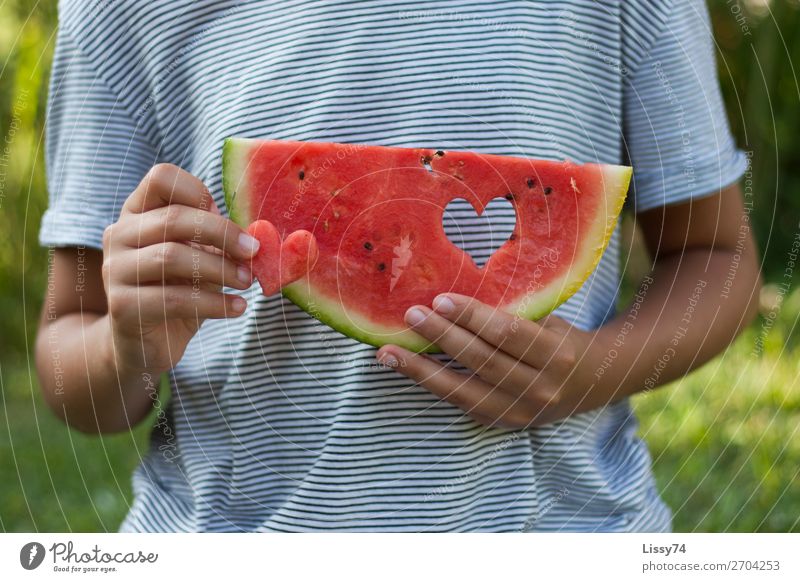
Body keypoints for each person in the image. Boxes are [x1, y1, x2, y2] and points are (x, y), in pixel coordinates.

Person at [36, 0, 761, 532]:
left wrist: (598, 368)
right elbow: (70, 350)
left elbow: (717, 258)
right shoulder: (119, 11)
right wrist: (128, 347)